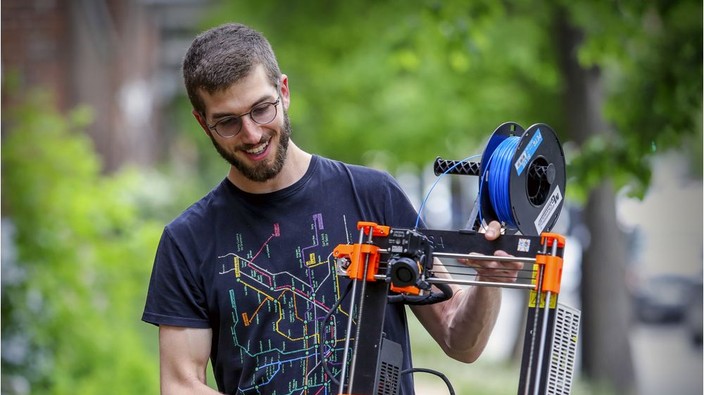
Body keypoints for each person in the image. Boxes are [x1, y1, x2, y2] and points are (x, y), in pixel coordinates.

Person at [142, 22, 523, 395]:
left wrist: (487, 282)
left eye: (261, 109)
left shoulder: (374, 197)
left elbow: (460, 340)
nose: (252, 134)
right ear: (202, 122)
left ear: (284, 90)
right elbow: (180, 384)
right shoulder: (186, 241)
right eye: (227, 122)